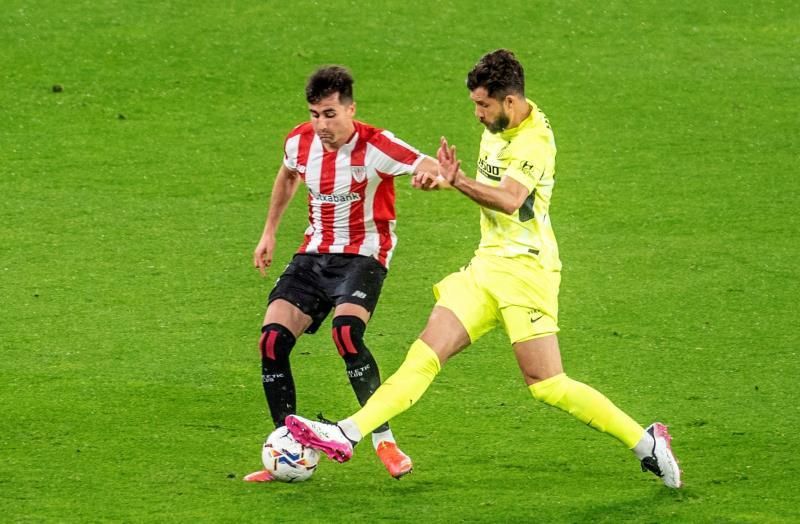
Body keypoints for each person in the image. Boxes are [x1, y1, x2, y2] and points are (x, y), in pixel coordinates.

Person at [284, 49, 682, 489]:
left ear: (509, 101)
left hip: (527, 274)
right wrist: (437, 179)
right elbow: (480, 187)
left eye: (483, 105)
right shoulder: (498, 124)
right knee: (424, 355)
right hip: (485, 267)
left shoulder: (534, 141)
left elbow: (510, 199)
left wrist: (456, 180)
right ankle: (347, 432)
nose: (477, 114)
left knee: (547, 384)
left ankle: (647, 444)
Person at [244, 65, 441, 482]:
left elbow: (427, 163)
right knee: (271, 341)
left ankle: (383, 440)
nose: (322, 125)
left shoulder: (377, 145)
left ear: (351, 109)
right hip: (314, 254)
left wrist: (429, 175)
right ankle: (288, 446)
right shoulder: (299, 141)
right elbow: (287, 176)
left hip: (364, 255)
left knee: (347, 333)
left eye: (330, 114)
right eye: (315, 114)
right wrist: (269, 233)